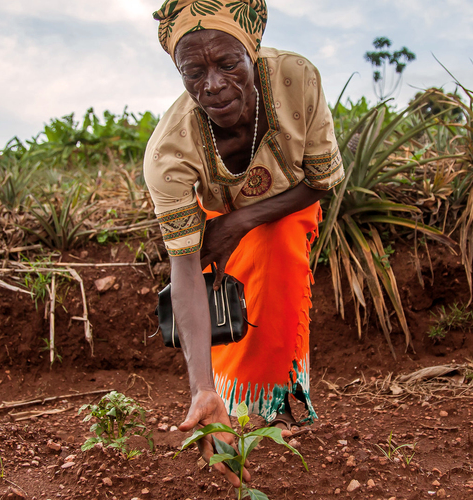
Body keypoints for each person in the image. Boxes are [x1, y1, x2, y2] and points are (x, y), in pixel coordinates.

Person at [144, 0, 343, 486]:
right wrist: (198, 390)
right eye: (193, 71)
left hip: (290, 200)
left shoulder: (296, 79)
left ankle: (272, 406)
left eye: (228, 64)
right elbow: (186, 268)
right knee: (226, 297)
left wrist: (236, 225)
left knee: (276, 255)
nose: (211, 85)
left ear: (251, 51)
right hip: (214, 211)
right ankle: (224, 401)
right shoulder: (170, 150)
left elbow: (321, 181)